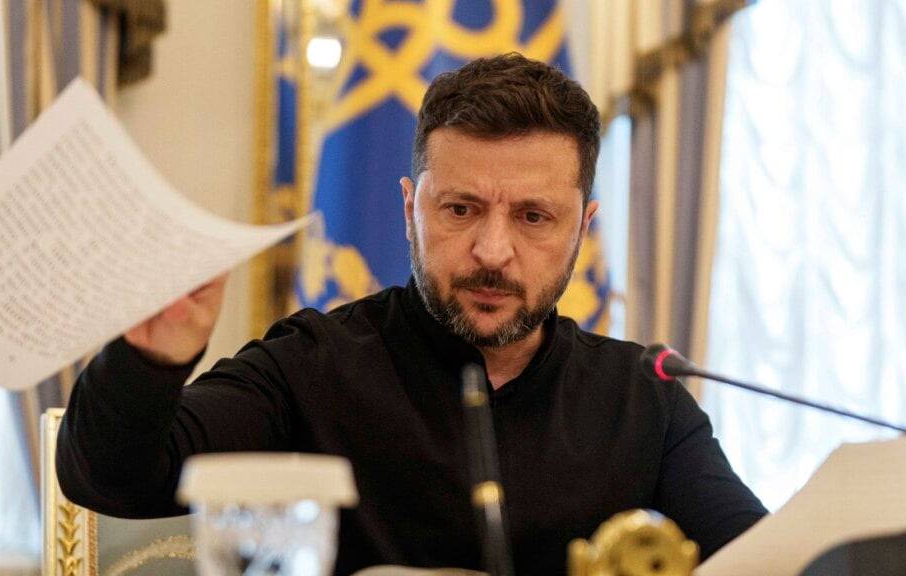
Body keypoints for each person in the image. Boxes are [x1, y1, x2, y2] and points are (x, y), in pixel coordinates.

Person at [56, 53, 766, 575]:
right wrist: (149, 359)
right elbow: (111, 478)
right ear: (409, 209)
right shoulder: (312, 365)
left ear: (583, 227)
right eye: (460, 209)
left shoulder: (644, 398)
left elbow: (764, 558)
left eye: (533, 217)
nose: (493, 251)